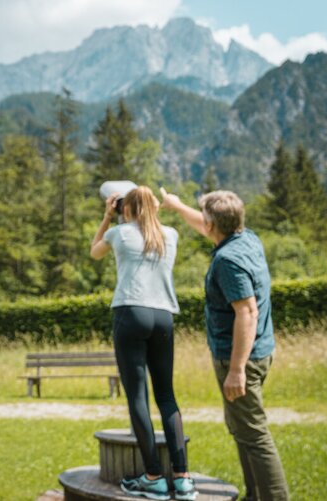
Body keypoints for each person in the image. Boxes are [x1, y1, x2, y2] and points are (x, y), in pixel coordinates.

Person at [160, 188, 289, 501]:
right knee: (242, 428)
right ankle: (254, 495)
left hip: (240, 357)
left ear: (211, 225)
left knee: (254, 434)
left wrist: (236, 370)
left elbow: (247, 311)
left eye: (203, 218)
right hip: (258, 351)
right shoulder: (246, 238)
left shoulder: (227, 261)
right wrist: (176, 207)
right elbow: (204, 224)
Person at [90, 185, 197, 501]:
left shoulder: (120, 234)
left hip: (130, 314)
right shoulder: (171, 235)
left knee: (138, 397)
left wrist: (107, 216)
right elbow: (150, 219)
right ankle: (183, 479)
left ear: (125, 209)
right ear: (154, 207)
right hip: (164, 316)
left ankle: (153, 477)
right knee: (167, 395)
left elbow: (95, 250)